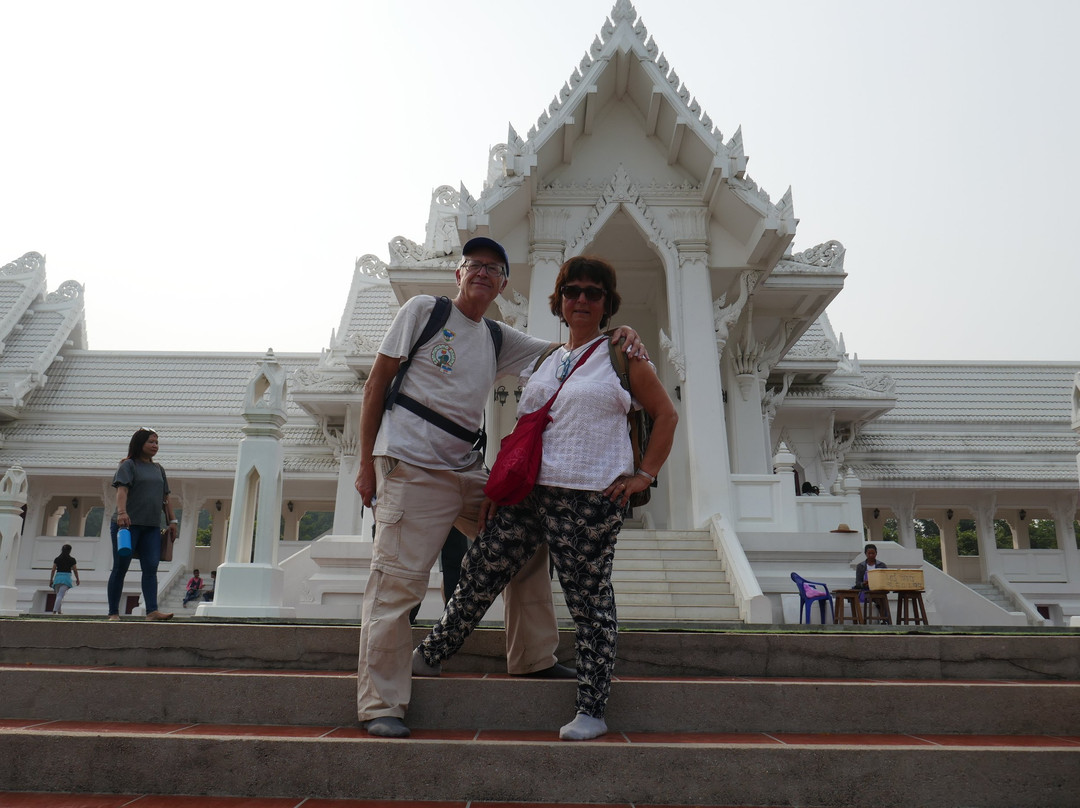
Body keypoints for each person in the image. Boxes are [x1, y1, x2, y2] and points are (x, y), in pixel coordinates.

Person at [354, 237, 647, 739]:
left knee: (524, 539)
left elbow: (572, 351)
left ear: (504, 284)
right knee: (396, 586)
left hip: (468, 469)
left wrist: (624, 336)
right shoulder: (424, 311)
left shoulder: (496, 338)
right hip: (411, 466)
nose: (483, 273)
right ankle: (382, 701)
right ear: (459, 274)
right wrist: (366, 464)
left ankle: (532, 655)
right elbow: (376, 383)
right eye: (474, 265)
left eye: (494, 268)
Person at [413, 255, 678, 741]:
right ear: (559, 301)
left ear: (606, 304)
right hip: (529, 493)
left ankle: (593, 710)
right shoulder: (550, 359)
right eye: (572, 291)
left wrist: (644, 475)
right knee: (482, 568)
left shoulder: (622, 356)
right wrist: (501, 486)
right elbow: (526, 427)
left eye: (592, 293)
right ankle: (431, 654)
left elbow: (666, 415)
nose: (581, 299)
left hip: (590, 498)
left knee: (589, 602)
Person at [107, 428, 177, 621]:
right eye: (151, 442)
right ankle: (113, 612)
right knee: (121, 567)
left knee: (151, 567)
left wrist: (172, 520)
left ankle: (152, 611)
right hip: (127, 526)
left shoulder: (158, 469)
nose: (155, 446)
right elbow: (122, 491)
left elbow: (165, 497)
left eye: (157, 442)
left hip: (151, 527)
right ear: (139, 444)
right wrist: (122, 512)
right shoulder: (128, 465)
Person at [855, 543, 889, 622]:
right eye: (869, 553)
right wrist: (863, 583)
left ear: (876, 553)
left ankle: (885, 620)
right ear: (865, 554)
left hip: (878, 591)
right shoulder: (860, 566)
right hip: (865, 590)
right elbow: (857, 583)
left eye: (873, 553)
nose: (871, 555)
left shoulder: (882, 565)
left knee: (880, 601)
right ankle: (864, 621)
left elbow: (886, 580)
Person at [49, 544, 80, 614]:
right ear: (70, 551)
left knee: (58, 595)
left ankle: (59, 611)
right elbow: (75, 570)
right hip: (66, 578)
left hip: (58, 577)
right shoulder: (72, 559)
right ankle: (54, 610)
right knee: (60, 595)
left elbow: (53, 570)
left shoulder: (57, 559)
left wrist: (51, 580)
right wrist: (77, 579)